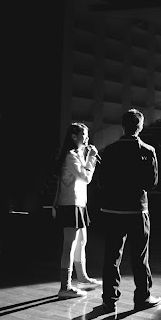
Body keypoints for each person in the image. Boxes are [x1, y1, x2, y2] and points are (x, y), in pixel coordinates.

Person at [96, 109, 161, 312]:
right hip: (136, 210)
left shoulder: (109, 150)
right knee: (140, 257)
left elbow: (101, 182)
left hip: (112, 211)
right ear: (140, 126)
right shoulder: (147, 150)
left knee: (111, 257)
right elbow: (152, 182)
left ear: (123, 126)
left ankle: (109, 300)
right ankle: (142, 297)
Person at [52, 122, 102, 299]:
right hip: (70, 204)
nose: (87, 138)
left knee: (82, 241)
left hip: (79, 203)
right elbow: (86, 177)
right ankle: (64, 287)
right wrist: (92, 158)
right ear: (74, 137)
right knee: (69, 246)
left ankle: (82, 277)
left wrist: (88, 157)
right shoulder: (70, 156)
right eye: (84, 135)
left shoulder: (79, 154)